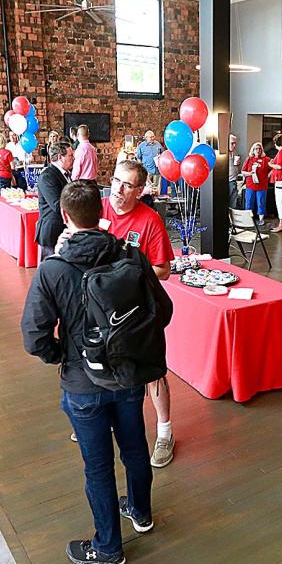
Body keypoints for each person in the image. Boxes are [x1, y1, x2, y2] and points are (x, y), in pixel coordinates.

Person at [21, 180, 170, 564]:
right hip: (129, 375)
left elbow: (34, 335)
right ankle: (140, 512)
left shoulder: (53, 268)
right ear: (101, 213)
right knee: (135, 448)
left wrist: (63, 356)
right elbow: (163, 310)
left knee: (98, 465)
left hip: (82, 382)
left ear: (66, 217)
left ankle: (108, 549)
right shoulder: (130, 255)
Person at [101, 160, 176, 467]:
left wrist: (130, 268)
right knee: (104, 368)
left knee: (153, 373)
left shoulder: (150, 220)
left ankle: (164, 432)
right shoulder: (98, 210)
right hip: (104, 308)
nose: (118, 189)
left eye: (127, 184)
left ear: (140, 190)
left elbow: (164, 270)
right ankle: (102, 420)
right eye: (116, 181)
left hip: (140, 311)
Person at [35, 140, 74, 257]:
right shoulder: (47, 176)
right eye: (70, 156)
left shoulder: (65, 173)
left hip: (63, 230)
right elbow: (57, 205)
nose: (74, 158)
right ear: (60, 157)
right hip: (52, 232)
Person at [242, 142, 271, 220]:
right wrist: (250, 173)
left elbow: (274, 167)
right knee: (249, 203)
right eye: (256, 149)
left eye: (259, 149)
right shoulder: (249, 159)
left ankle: (261, 220)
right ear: (253, 150)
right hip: (250, 185)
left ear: (262, 150)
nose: (258, 150)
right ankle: (248, 220)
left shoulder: (266, 160)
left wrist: (268, 176)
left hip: (262, 186)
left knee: (261, 203)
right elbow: (243, 172)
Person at [137, 130, 164, 196]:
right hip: (147, 169)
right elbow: (138, 157)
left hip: (157, 169)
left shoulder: (158, 144)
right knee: (148, 187)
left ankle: (157, 200)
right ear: (146, 138)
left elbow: (163, 154)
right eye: (150, 137)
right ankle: (148, 199)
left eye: (153, 136)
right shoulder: (141, 146)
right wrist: (141, 168)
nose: (153, 138)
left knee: (157, 186)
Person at [228, 134, 242, 208]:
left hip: (234, 180)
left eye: (235, 143)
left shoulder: (234, 152)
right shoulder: (223, 154)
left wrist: (238, 164)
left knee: (233, 203)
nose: (234, 145)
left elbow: (235, 166)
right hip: (228, 181)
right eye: (232, 143)